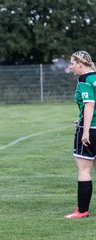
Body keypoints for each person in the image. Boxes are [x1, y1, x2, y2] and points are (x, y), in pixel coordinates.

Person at [64, 51, 96, 219]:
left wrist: (85, 129)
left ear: (80, 64)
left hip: (91, 129)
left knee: (84, 170)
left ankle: (82, 211)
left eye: (72, 63)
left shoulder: (84, 79)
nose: (71, 66)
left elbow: (90, 105)